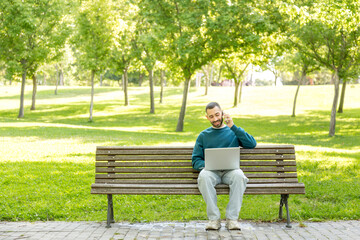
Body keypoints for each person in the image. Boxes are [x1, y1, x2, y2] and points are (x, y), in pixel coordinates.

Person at [192, 102, 257, 231]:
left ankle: (232, 219)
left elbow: (251, 143)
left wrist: (232, 126)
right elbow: (195, 160)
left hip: (230, 171)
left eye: (217, 115)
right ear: (207, 117)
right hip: (211, 172)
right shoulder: (203, 135)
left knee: (239, 176)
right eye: (211, 116)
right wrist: (207, 164)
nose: (215, 119)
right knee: (203, 176)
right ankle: (214, 219)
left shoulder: (233, 131)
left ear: (222, 113)